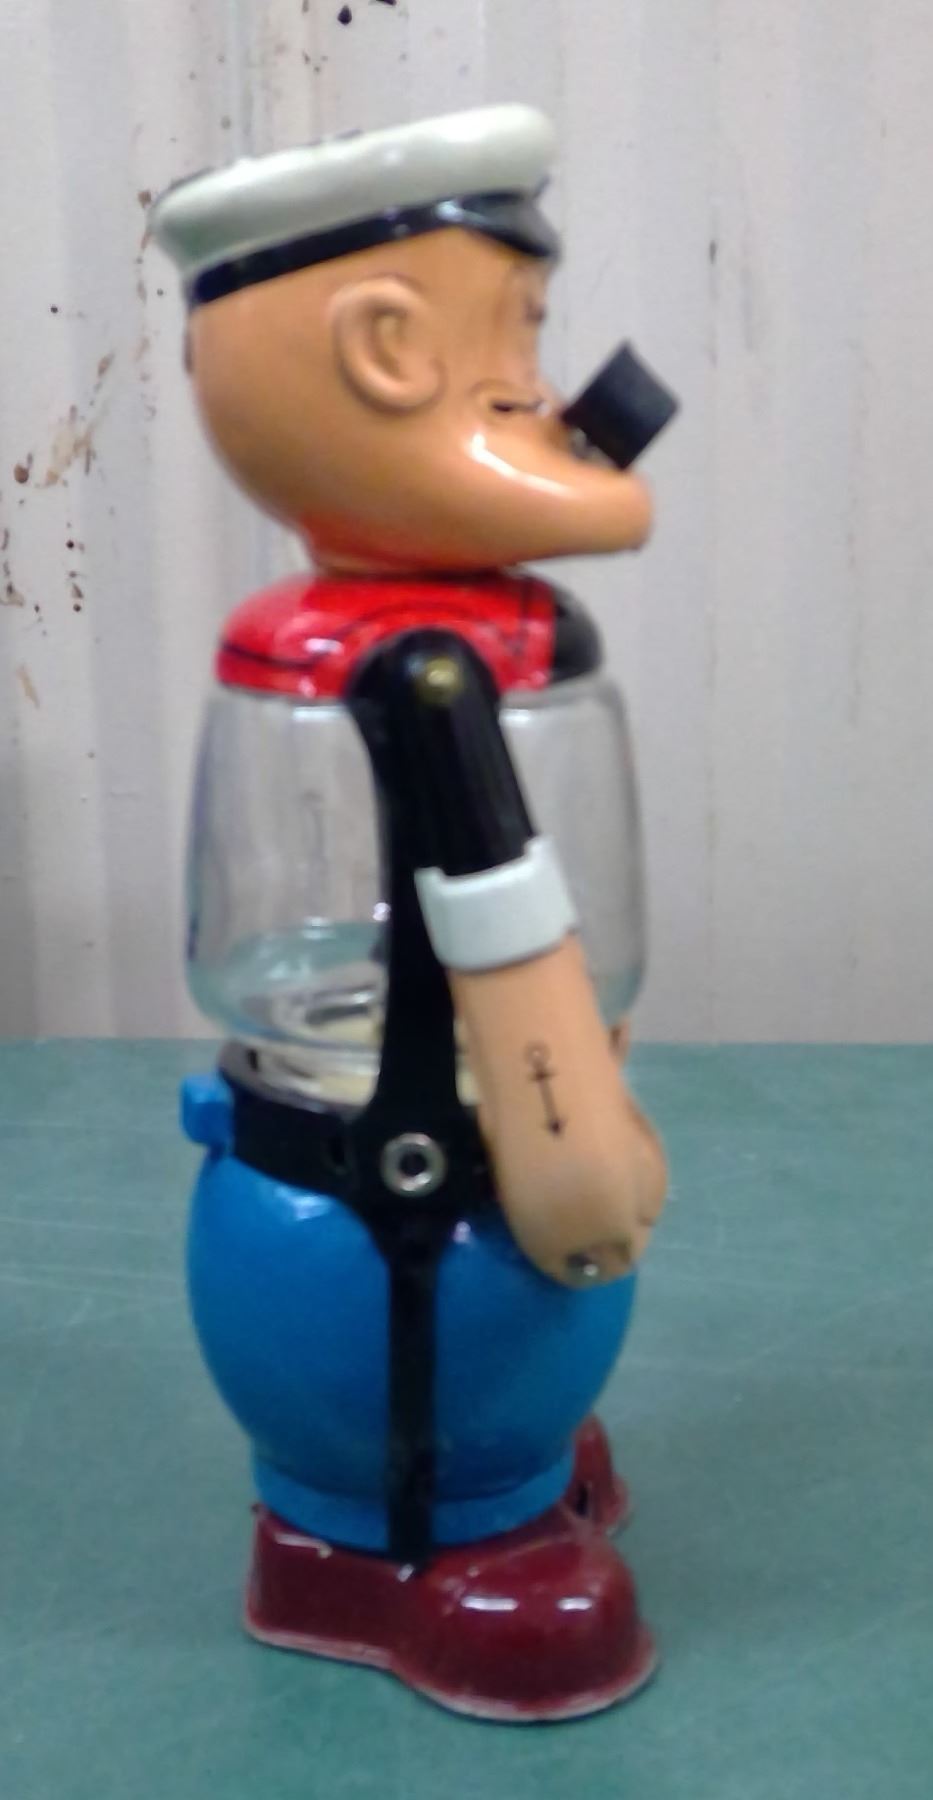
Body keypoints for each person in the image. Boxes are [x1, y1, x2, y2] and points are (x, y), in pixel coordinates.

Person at [154, 103, 671, 1721]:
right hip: (380, 1215)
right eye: (512, 344)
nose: (551, 396)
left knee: (504, 1350)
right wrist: (584, 1172)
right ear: (383, 349)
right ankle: (382, 1547)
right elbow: (518, 982)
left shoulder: (484, 651)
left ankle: (498, 1471)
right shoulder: (422, 676)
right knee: (466, 1311)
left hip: (415, 1165)